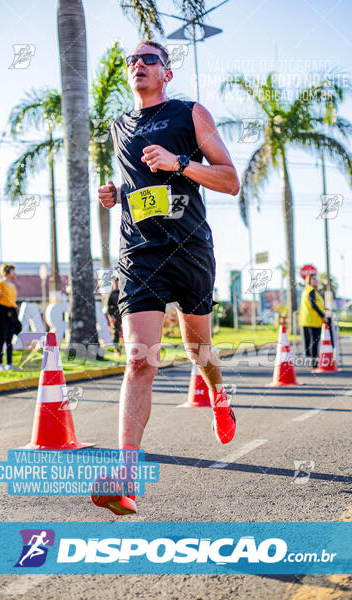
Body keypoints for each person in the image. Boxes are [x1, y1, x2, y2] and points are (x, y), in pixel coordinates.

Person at [93, 40, 240, 515]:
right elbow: (136, 182)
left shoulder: (190, 113)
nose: (138, 65)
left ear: (166, 72)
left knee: (198, 347)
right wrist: (115, 192)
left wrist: (180, 163)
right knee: (140, 359)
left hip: (190, 246)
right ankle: (126, 478)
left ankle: (218, 393)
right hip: (139, 251)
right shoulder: (117, 126)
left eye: (148, 59)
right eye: (132, 61)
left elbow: (230, 179)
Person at [0, 264, 20, 371]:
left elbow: (12, 301)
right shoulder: (0, 283)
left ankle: (9, 363)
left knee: (10, 338)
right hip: (2, 313)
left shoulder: (12, 285)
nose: (14, 273)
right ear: (8, 272)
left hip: (11, 313)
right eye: (13, 271)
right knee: (1, 337)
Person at [299, 272, 327, 369]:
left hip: (307, 320)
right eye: (313, 279)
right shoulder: (311, 291)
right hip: (313, 320)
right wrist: (323, 315)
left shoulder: (306, 291)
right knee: (314, 342)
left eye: (316, 278)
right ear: (309, 281)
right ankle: (315, 364)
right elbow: (313, 305)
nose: (316, 280)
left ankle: (313, 363)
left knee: (311, 342)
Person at [105, 277, 122, 357]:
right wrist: (112, 317)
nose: (116, 284)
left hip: (124, 315)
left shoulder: (123, 292)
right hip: (116, 316)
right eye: (115, 283)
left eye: (117, 282)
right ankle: (117, 350)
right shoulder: (112, 294)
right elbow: (108, 307)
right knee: (116, 333)